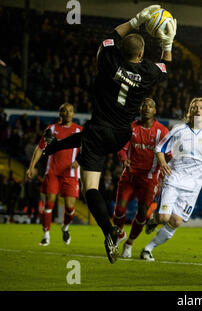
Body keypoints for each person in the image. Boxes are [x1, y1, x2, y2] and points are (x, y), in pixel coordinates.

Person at [42, 4, 177, 263]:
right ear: (141, 54)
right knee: (89, 137)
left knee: (89, 187)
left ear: (123, 51)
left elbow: (109, 36)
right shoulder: (147, 71)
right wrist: (168, 42)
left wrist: (137, 19)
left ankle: (109, 231)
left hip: (99, 128)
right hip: (121, 134)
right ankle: (55, 146)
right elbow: (165, 67)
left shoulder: (108, 61)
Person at [141, 98, 202, 261]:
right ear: (189, 112)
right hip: (174, 178)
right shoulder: (178, 130)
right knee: (164, 218)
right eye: (194, 107)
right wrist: (163, 162)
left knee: (176, 221)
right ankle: (155, 218)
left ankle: (148, 249)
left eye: (201, 108)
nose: (198, 110)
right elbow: (160, 149)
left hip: (194, 186)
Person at [112, 97, 169, 258]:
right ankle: (119, 234)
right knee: (119, 209)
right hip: (129, 175)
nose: (146, 108)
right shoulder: (131, 128)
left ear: (155, 111)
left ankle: (129, 243)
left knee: (143, 213)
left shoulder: (162, 132)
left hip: (149, 178)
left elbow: (169, 153)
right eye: (144, 106)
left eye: (150, 106)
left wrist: (168, 166)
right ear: (140, 109)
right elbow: (121, 149)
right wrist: (124, 159)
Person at [26, 104, 82, 246]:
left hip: (70, 174)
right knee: (49, 203)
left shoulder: (78, 130)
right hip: (52, 173)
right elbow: (40, 148)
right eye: (65, 110)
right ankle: (46, 235)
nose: (68, 113)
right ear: (60, 113)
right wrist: (31, 167)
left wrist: (79, 161)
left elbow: (88, 149)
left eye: (70, 111)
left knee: (70, 208)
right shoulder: (51, 129)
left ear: (73, 113)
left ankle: (65, 227)